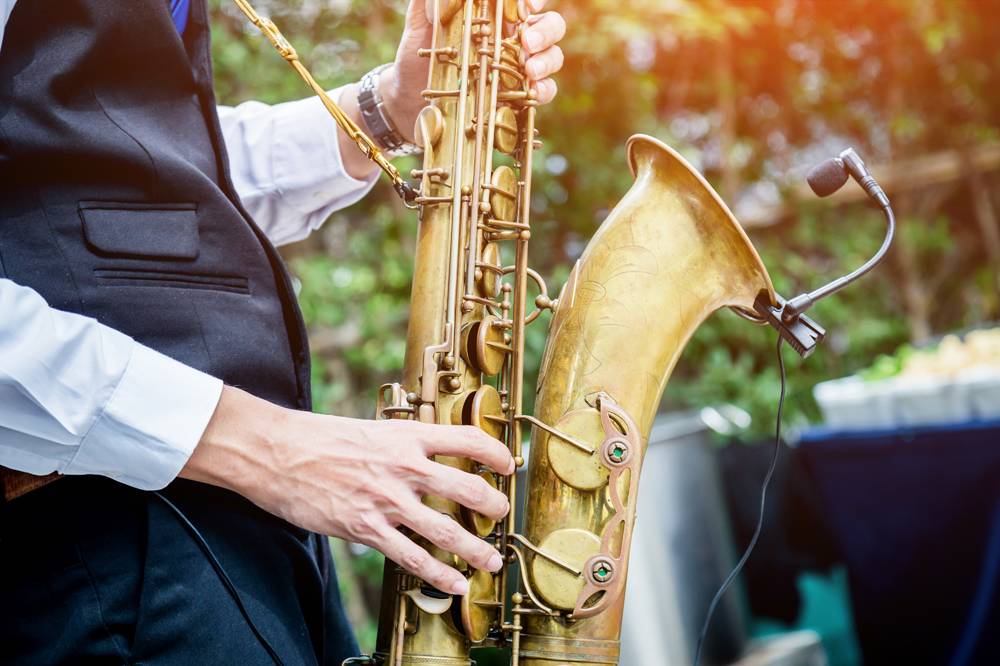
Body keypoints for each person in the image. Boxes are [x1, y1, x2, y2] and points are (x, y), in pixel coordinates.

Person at [0, 0, 566, 663]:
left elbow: (145, 173)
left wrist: (388, 109)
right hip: (99, 546)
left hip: (231, 529)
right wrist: (270, 449)